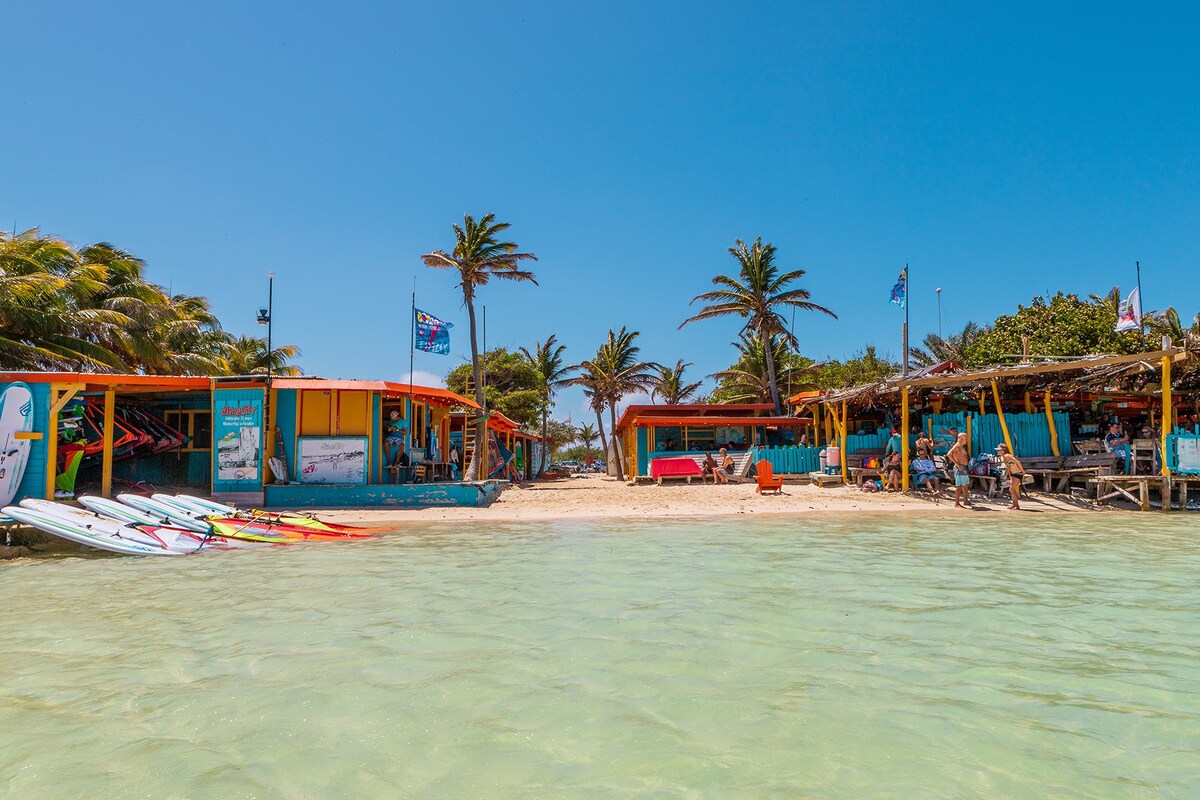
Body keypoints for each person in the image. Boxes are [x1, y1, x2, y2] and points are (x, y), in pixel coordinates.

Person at [996, 443, 1025, 510]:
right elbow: (1008, 467)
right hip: (1013, 474)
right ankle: (1014, 504)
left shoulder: (1007, 456)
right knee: (1012, 490)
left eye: (999, 450)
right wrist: (1010, 476)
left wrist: (1023, 471)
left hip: (1018, 473)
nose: (997, 451)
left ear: (1003, 450)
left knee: (1011, 489)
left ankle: (1016, 506)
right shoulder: (1003, 458)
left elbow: (1018, 462)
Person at [947, 432, 971, 508]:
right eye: (965, 438)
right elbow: (949, 454)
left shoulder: (961, 446)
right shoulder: (957, 446)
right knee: (959, 486)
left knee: (966, 485)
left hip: (963, 468)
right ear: (960, 438)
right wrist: (957, 464)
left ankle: (965, 500)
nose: (966, 439)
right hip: (959, 468)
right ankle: (957, 503)